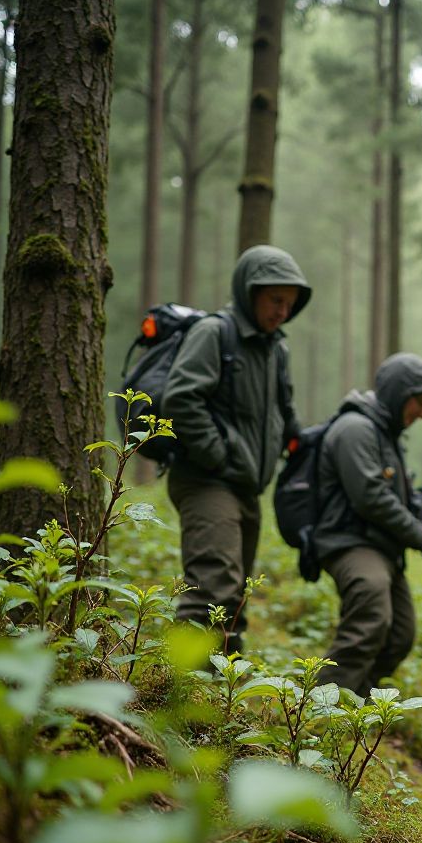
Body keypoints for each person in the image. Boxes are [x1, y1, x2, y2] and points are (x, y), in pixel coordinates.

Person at [162, 244, 311, 652]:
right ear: (250, 292)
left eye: (290, 303)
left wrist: (304, 441)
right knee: (212, 587)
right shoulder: (214, 332)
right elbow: (181, 399)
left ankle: (220, 702)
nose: (283, 310)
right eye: (275, 300)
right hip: (206, 480)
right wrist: (221, 456)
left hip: (245, 487)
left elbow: (283, 411)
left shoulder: (276, 349)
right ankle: (177, 695)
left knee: (236, 598)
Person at [314, 352, 422, 696]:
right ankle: (316, 714)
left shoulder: (384, 434)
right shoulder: (355, 428)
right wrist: (418, 533)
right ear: (399, 393)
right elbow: (370, 496)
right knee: (371, 619)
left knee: (400, 633)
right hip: (350, 541)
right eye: (419, 402)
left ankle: (355, 707)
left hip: (379, 545)